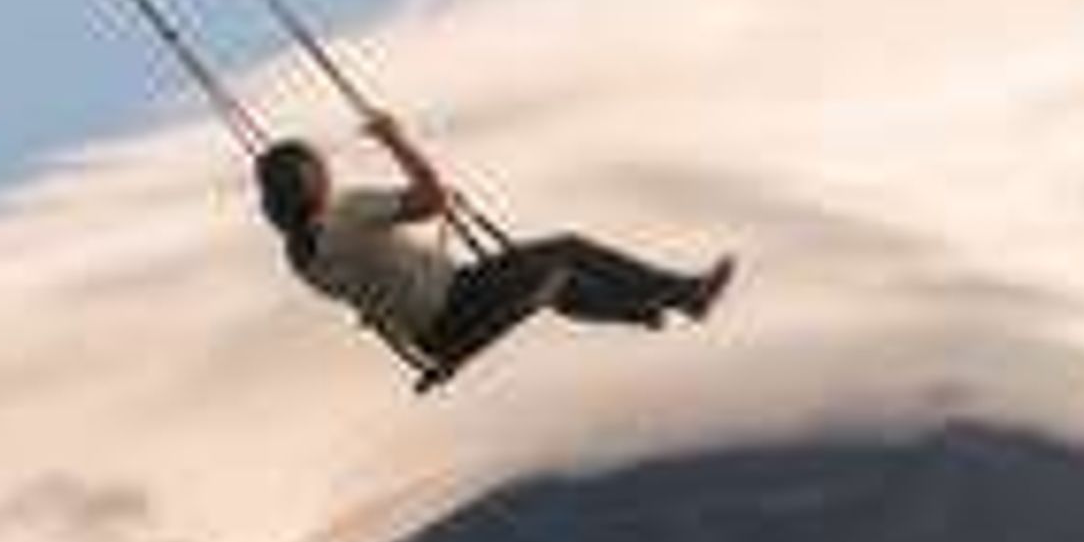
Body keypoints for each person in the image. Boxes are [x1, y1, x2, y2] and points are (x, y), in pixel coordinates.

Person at [255, 114, 732, 384]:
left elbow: (374, 265)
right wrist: (394, 138)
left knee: (549, 278)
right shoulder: (350, 213)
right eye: (321, 169)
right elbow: (431, 198)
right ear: (313, 181)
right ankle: (680, 297)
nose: (330, 174)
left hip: (438, 331)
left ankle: (643, 308)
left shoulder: (301, 259)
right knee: (564, 256)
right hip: (459, 305)